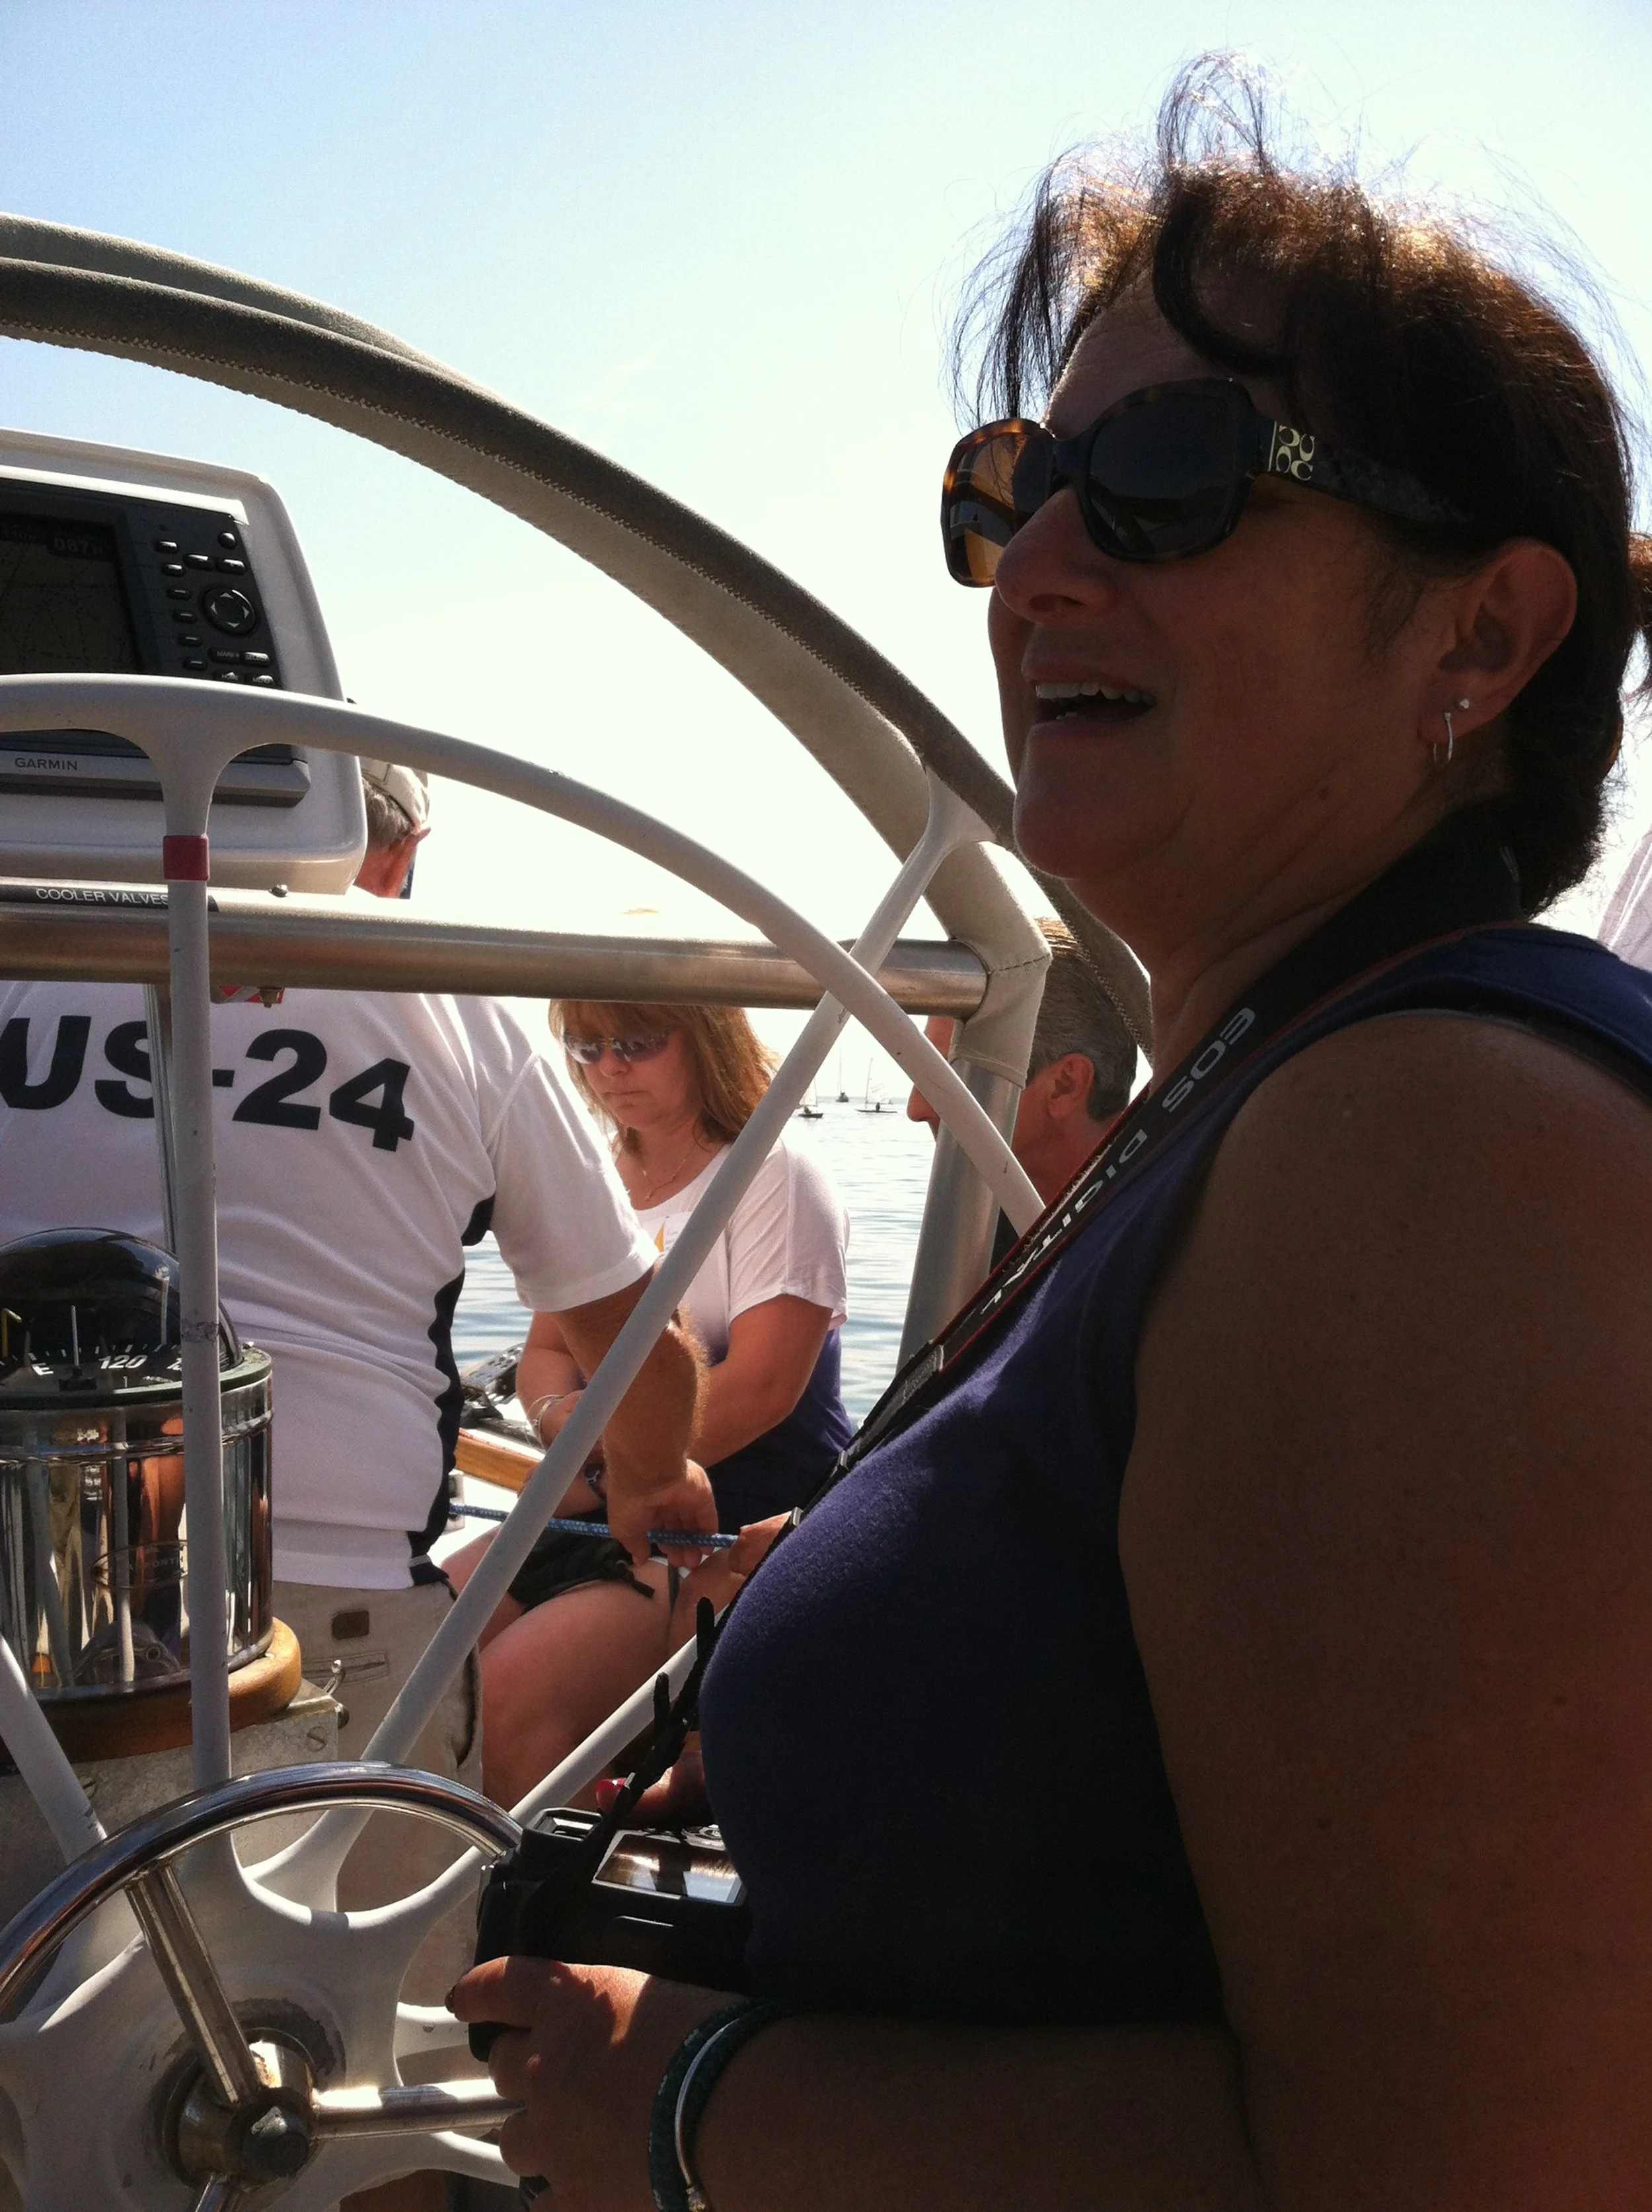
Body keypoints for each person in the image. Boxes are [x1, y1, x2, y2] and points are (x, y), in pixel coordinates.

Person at [452, 63, 1652, 2211]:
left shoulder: (1426, 1152)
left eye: (1178, 474)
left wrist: (682, 2107)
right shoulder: (1263, 1106)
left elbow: (1491, 2168)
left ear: (1482, 631)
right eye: (1022, 484)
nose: (1044, 564)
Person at [0, 764, 706, 1962]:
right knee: (348, 2080)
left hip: (22, 1625)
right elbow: (643, 1364)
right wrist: (652, 1478)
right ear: (390, 853)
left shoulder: (26, 931)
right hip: (331, 1637)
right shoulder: (448, 993)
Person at [446, 999, 848, 1808]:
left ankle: (539, 1921)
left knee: (505, 1700)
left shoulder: (775, 1170)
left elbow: (765, 1388)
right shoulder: (599, 1178)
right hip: (600, 1508)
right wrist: (583, 1438)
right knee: (415, 1657)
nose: (608, 1067)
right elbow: (545, 1358)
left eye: (636, 1041)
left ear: (707, 1039)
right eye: (586, 1046)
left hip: (722, 1527)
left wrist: (601, 1453)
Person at [906, 915, 1137, 1205]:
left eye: (951, 1076)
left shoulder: (1163, 1234)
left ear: (1065, 1084)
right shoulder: (975, 1226)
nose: (916, 1110)